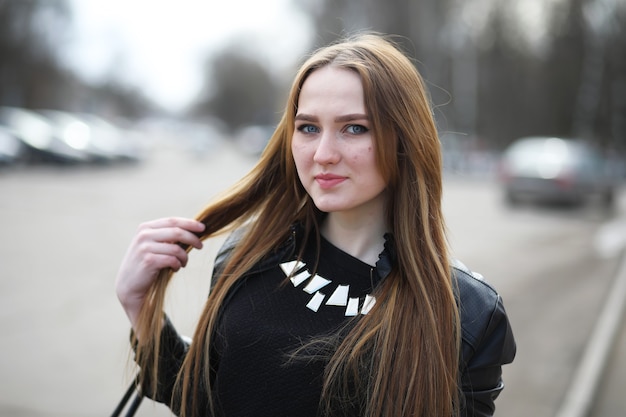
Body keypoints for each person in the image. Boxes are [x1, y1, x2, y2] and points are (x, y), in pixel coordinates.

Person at [115, 33, 516, 417]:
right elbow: (203, 401)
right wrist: (140, 306)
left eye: (354, 128)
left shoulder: (467, 315)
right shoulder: (246, 253)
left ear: (405, 139)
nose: (323, 154)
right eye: (308, 127)